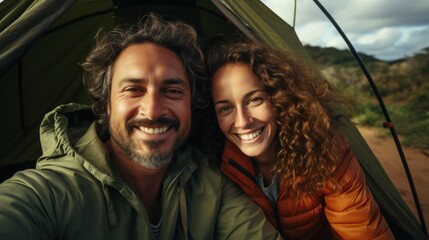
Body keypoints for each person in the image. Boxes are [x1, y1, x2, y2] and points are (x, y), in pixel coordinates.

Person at [0, 14, 282, 240]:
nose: (153, 110)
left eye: (172, 91)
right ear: (107, 104)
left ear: (191, 103)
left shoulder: (212, 184)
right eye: (134, 89)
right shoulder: (50, 193)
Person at [203, 41, 395, 239]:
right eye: (225, 108)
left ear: (279, 99)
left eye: (254, 100)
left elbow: (362, 230)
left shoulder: (326, 151)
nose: (242, 122)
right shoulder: (214, 165)